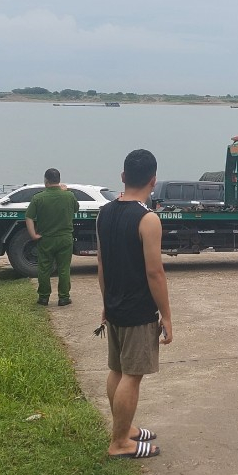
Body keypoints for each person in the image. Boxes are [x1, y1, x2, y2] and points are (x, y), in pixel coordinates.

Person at [96, 149, 172, 459]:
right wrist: (166, 316)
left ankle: (124, 429)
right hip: (138, 311)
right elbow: (155, 272)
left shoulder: (105, 212)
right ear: (153, 181)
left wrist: (105, 303)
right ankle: (119, 443)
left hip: (114, 306)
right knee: (132, 375)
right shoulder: (148, 219)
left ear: (123, 177)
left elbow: (102, 263)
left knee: (117, 369)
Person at [26, 168, 79, 306]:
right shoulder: (69, 196)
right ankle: (64, 297)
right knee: (64, 268)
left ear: (46, 180)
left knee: (44, 268)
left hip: (46, 239)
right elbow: (76, 208)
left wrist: (33, 234)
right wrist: (65, 191)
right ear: (59, 180)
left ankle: (43, 297)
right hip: (65, 238)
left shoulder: (38, 198)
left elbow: (29, 217)